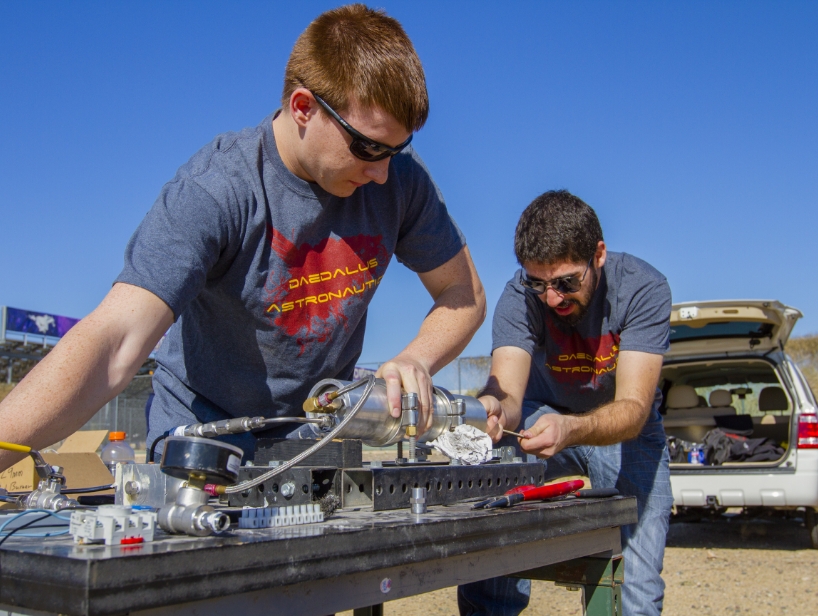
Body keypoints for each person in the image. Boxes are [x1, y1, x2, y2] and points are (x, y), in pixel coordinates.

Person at [0, 4, 485, 467]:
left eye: (396, 150)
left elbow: (463, 293)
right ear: (303, 107)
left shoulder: (400, 179)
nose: (381, 173)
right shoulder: (217, 190)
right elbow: (115, 340)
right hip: (203, 426)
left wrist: (415, 359)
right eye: (367, 147)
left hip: (315, 425)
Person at [459, 190, 672, 616]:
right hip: (543, 416)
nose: (552, 298)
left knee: (637, 587)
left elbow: (633, 407)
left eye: (565, 283)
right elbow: (509, 395)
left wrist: (573, 429)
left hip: (624, 428)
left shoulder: (644, 288)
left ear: (598, 255)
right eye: (539, 283)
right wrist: (491, 410)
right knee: (494, 473)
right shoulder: (518, 296)